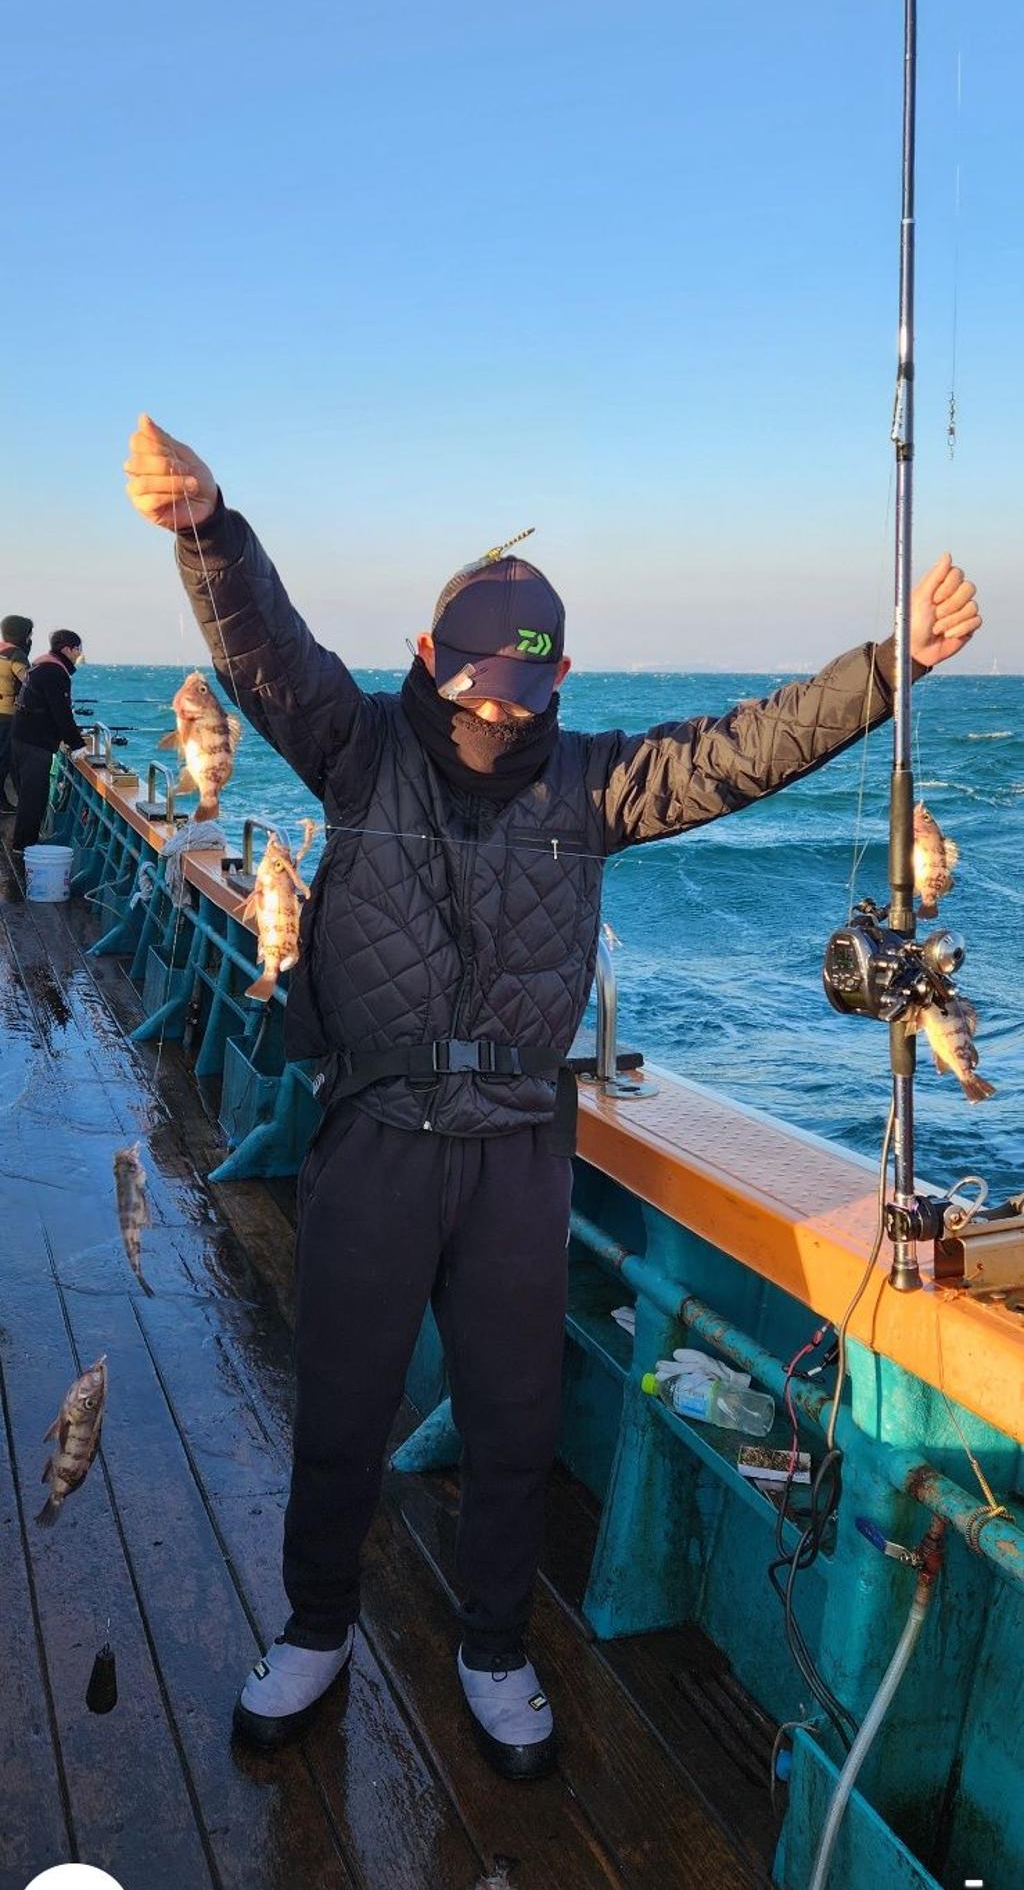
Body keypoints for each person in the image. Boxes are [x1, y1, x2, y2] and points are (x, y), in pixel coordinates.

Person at [123, 412, 981, 1778]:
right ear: (426, 655)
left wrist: (896, 667)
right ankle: (314, 1629)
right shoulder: (356, 746)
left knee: (515, 1417)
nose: (495, 712)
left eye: (522, 691)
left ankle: (495, 1648)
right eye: (472, 683)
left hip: (520, 1152)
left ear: (561, 678)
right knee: (341, 1404)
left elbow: (745, 746)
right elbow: (263, 651)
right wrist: (208, 529)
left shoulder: (596, 783)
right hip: (374, 1137)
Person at [10, 628, 86, 856]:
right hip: (34, 742)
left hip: (22, 736)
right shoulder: (55, 672)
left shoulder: (42, 664)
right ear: (67, 649)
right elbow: (61, 713)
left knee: (29, 794)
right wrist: (78, 745)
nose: (79, 654)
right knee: (34, 796)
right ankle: (23, 846)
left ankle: (24, 841)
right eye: (78, 649)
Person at [0, 615, 33, 806]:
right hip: (7, 715)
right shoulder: (16, 655)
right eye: (29, 635)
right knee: (5, 759)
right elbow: (28, 682)